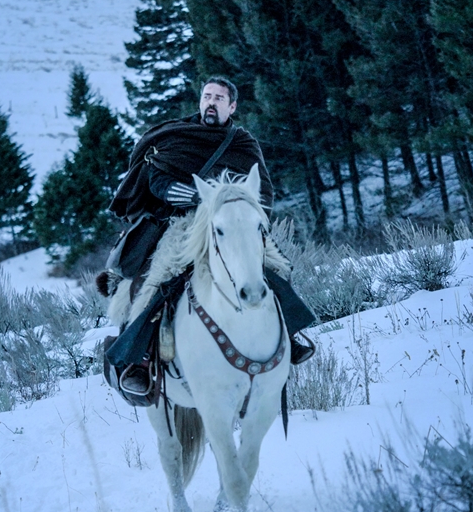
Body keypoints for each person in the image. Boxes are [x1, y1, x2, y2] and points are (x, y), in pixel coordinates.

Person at [101, 76, 315, 400]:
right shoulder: (175, 136)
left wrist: (243, 212)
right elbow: (156, 177)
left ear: (232, 106)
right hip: (182, 223)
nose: (211, 102)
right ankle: (140, 361)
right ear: (200, 101)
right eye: (207, 96)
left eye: (219, 98)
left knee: (274, 267)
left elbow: (263, 190)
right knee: (157, 278)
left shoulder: (243, 144)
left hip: (233, 222)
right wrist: (187, 196)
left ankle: (290, 336)